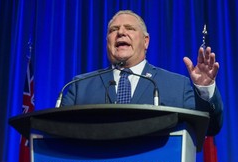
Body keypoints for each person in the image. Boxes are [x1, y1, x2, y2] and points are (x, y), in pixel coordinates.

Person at [62, 10, 223, 135]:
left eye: (130, 28)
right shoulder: (79, 86)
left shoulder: (177, 86)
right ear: (107, 42)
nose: (121, 33)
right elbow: (59, 132)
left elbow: (210, 128)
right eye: (114, 30)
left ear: (146, 41)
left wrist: (204, 90)